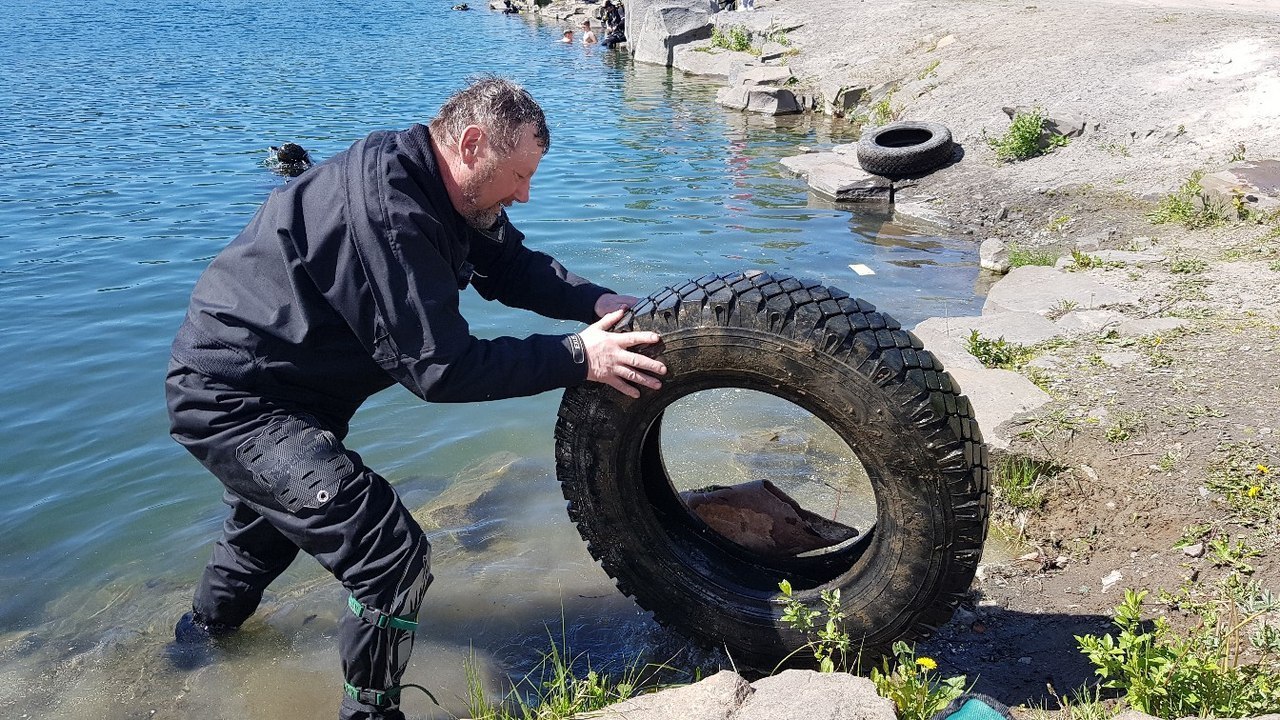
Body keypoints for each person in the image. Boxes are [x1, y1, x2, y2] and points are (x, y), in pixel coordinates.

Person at [165, 76, 666, 720]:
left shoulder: (448, 191)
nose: (525, 193)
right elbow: (442, 369)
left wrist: (593, 301)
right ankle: (370, 714)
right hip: (234, 398)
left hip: (292, 395)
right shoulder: (392, 213)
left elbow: (509, 266)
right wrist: (577, 357)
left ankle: (192, 651)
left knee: (262, 536)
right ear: (473, 143)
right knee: (387, 553)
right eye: (518, 175)